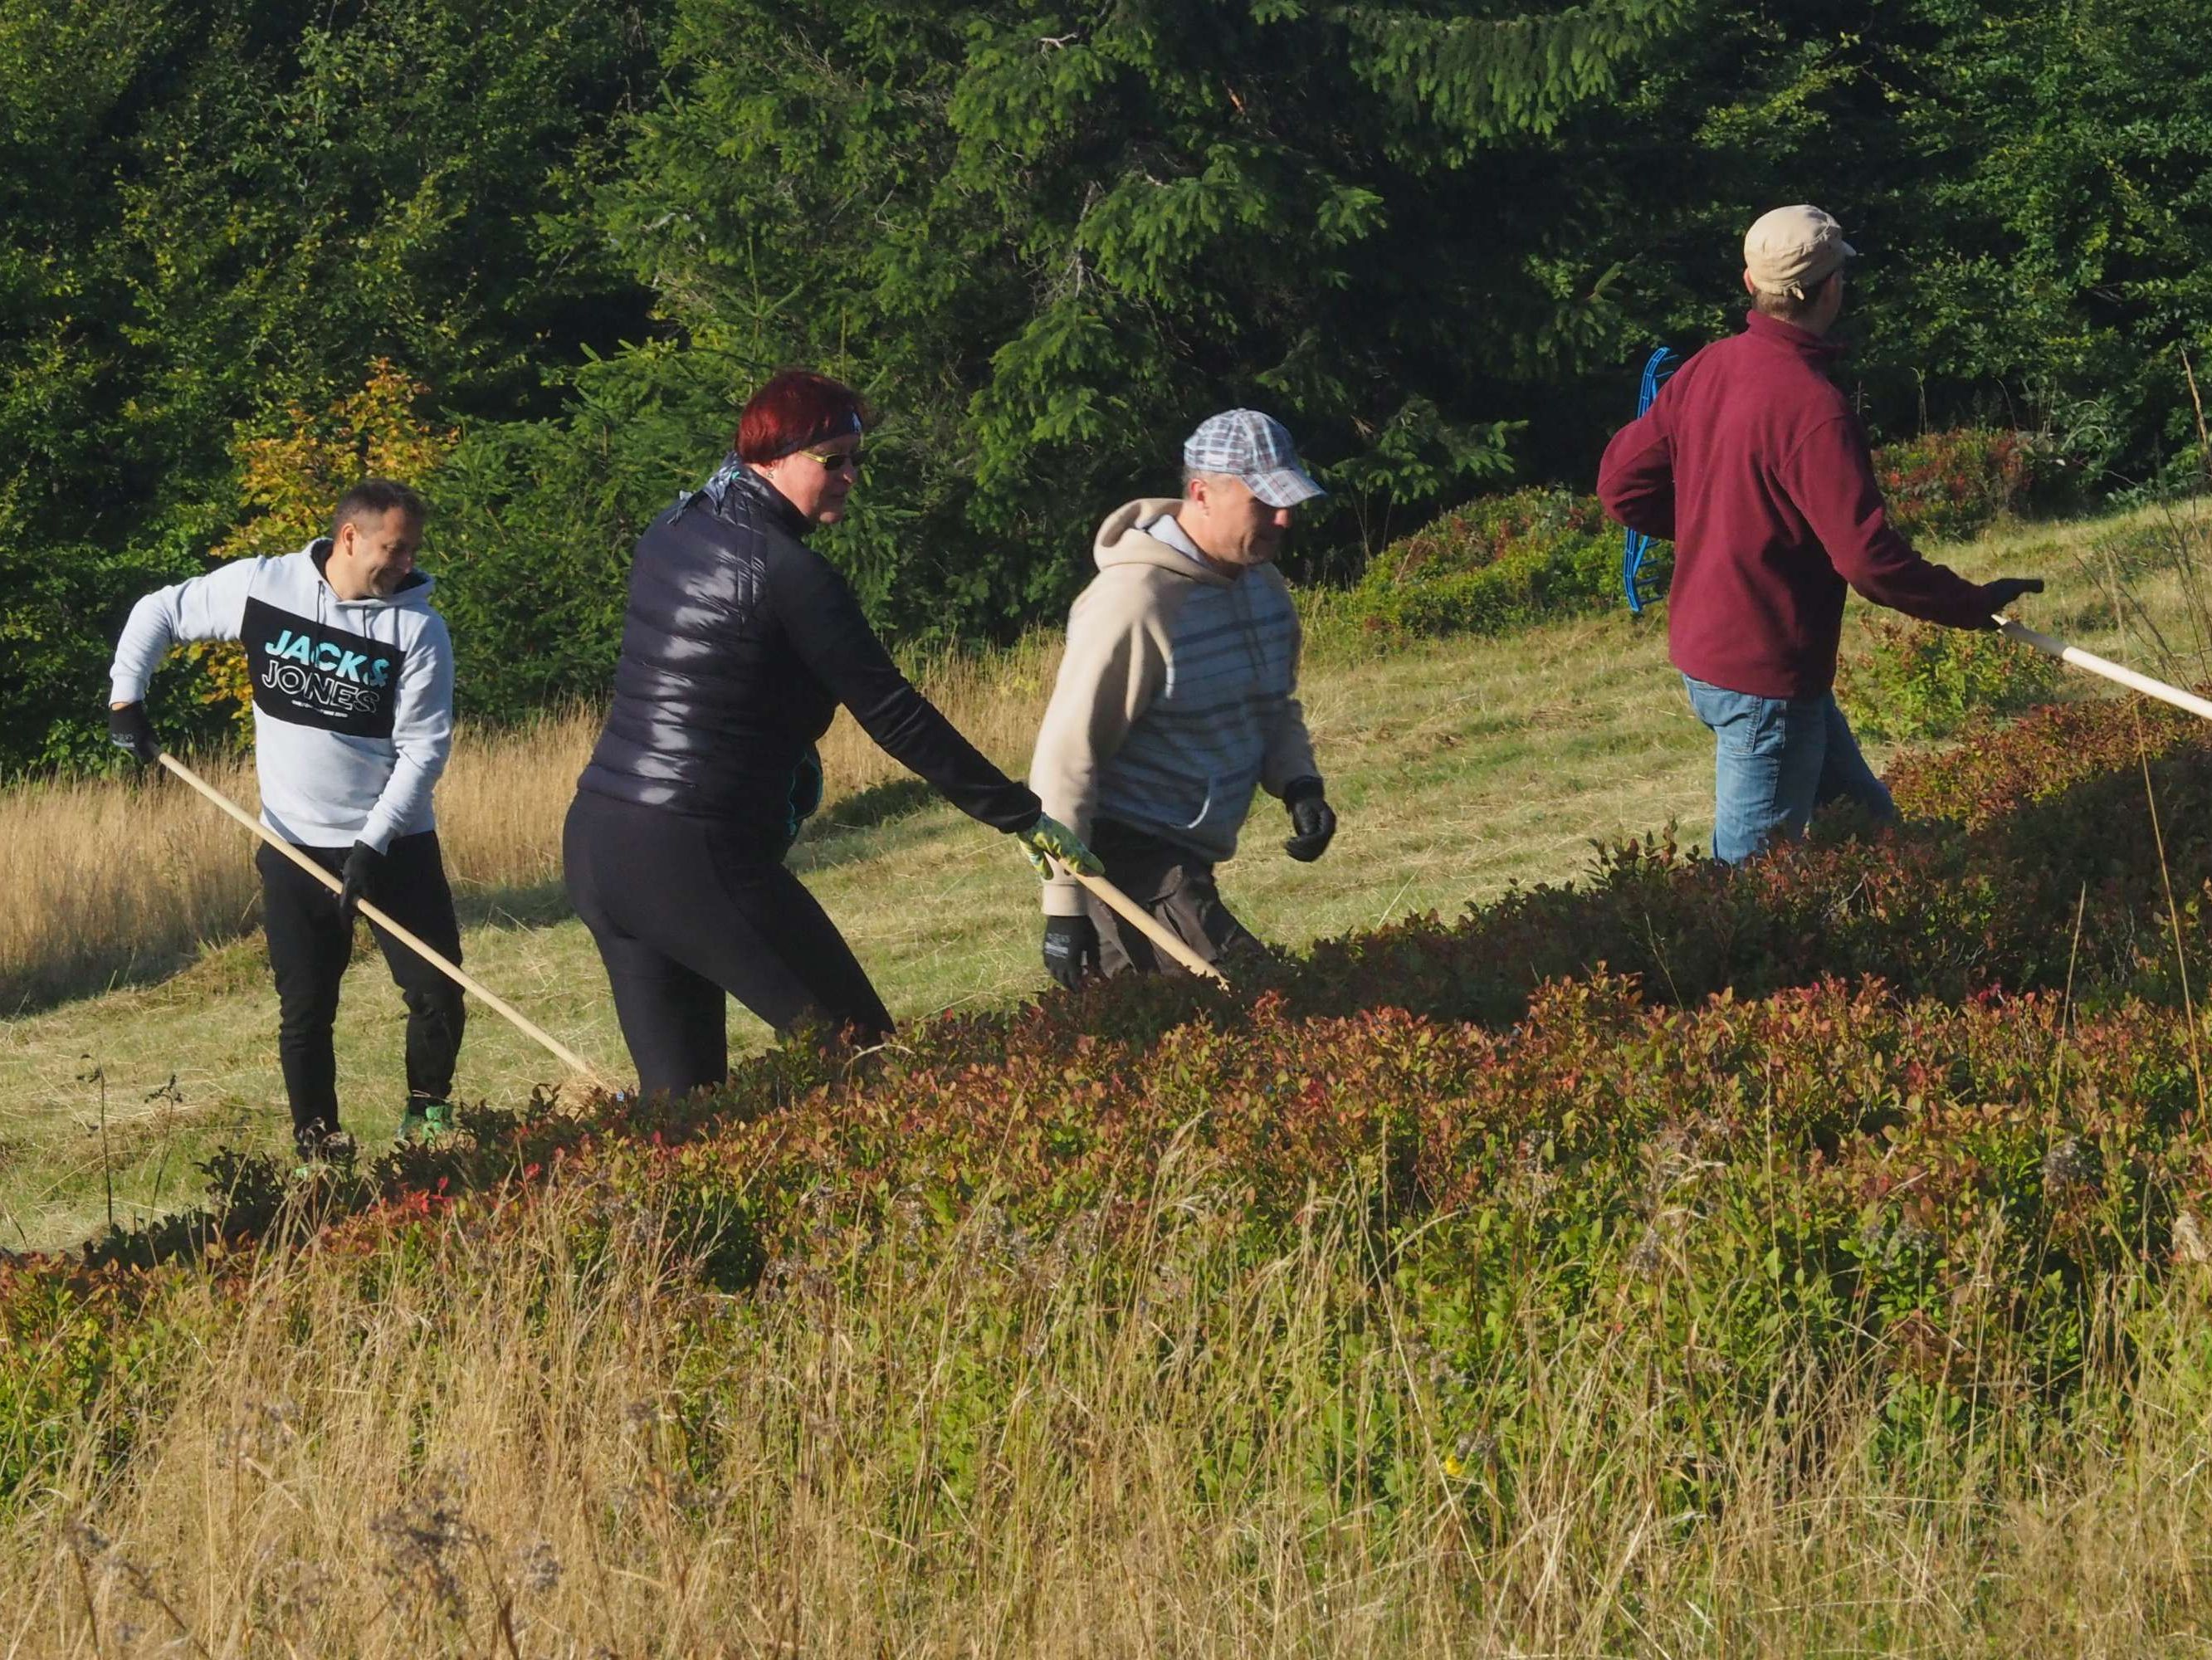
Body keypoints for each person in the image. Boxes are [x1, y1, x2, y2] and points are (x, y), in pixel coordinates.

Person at [564, 368, 1097, 1099]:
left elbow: (721, 667)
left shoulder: (676, 525)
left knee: (685, 1115)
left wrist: (788, 741)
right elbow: (894, 713)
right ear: (772, 457)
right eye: (833, 460)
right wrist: (1016, 813)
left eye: (857, 458)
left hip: (601, 844)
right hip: (689, 853)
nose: (851, 477)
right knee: (867, 1062)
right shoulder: (789, 573)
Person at [1597, 204, 2046, 863]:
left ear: (1752, 285)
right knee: (1749, 885)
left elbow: (1620, 486)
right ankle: (1720, 967)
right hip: (1765, 677)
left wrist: (1722, 527)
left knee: (1866, 828)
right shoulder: (1814, 409)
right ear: (1831, 287)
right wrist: (1968, 604)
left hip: (1710, 655)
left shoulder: (1709, 367)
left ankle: (1924, 903)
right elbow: (1868, 562)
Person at [106, 480, 464, 1160]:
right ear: (350, 538)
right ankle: (317, 1142)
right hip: (294, 844)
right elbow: (161, 611)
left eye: (413, 550)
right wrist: (128, 697)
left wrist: (372, 843)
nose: (406, 564)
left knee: (436, 987)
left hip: (394, 842)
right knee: (305, 1006)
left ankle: (426, 1117)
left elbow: (424, 750)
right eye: (394, 549)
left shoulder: (419, 629)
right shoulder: (264, 587)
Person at [1027, 408, 1337, 989]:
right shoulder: (1133, 602)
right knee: (1255, 1005)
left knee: (1178, 1037)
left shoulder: (1262, 584)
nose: (1284, 517)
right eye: (1264, 502)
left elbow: (1273, 704)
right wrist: (1063, 905)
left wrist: (1300, 786)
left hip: (1187, 858)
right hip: (1119, 858)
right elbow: (1066, 756)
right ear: (1201, 494)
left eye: (1288, 500)